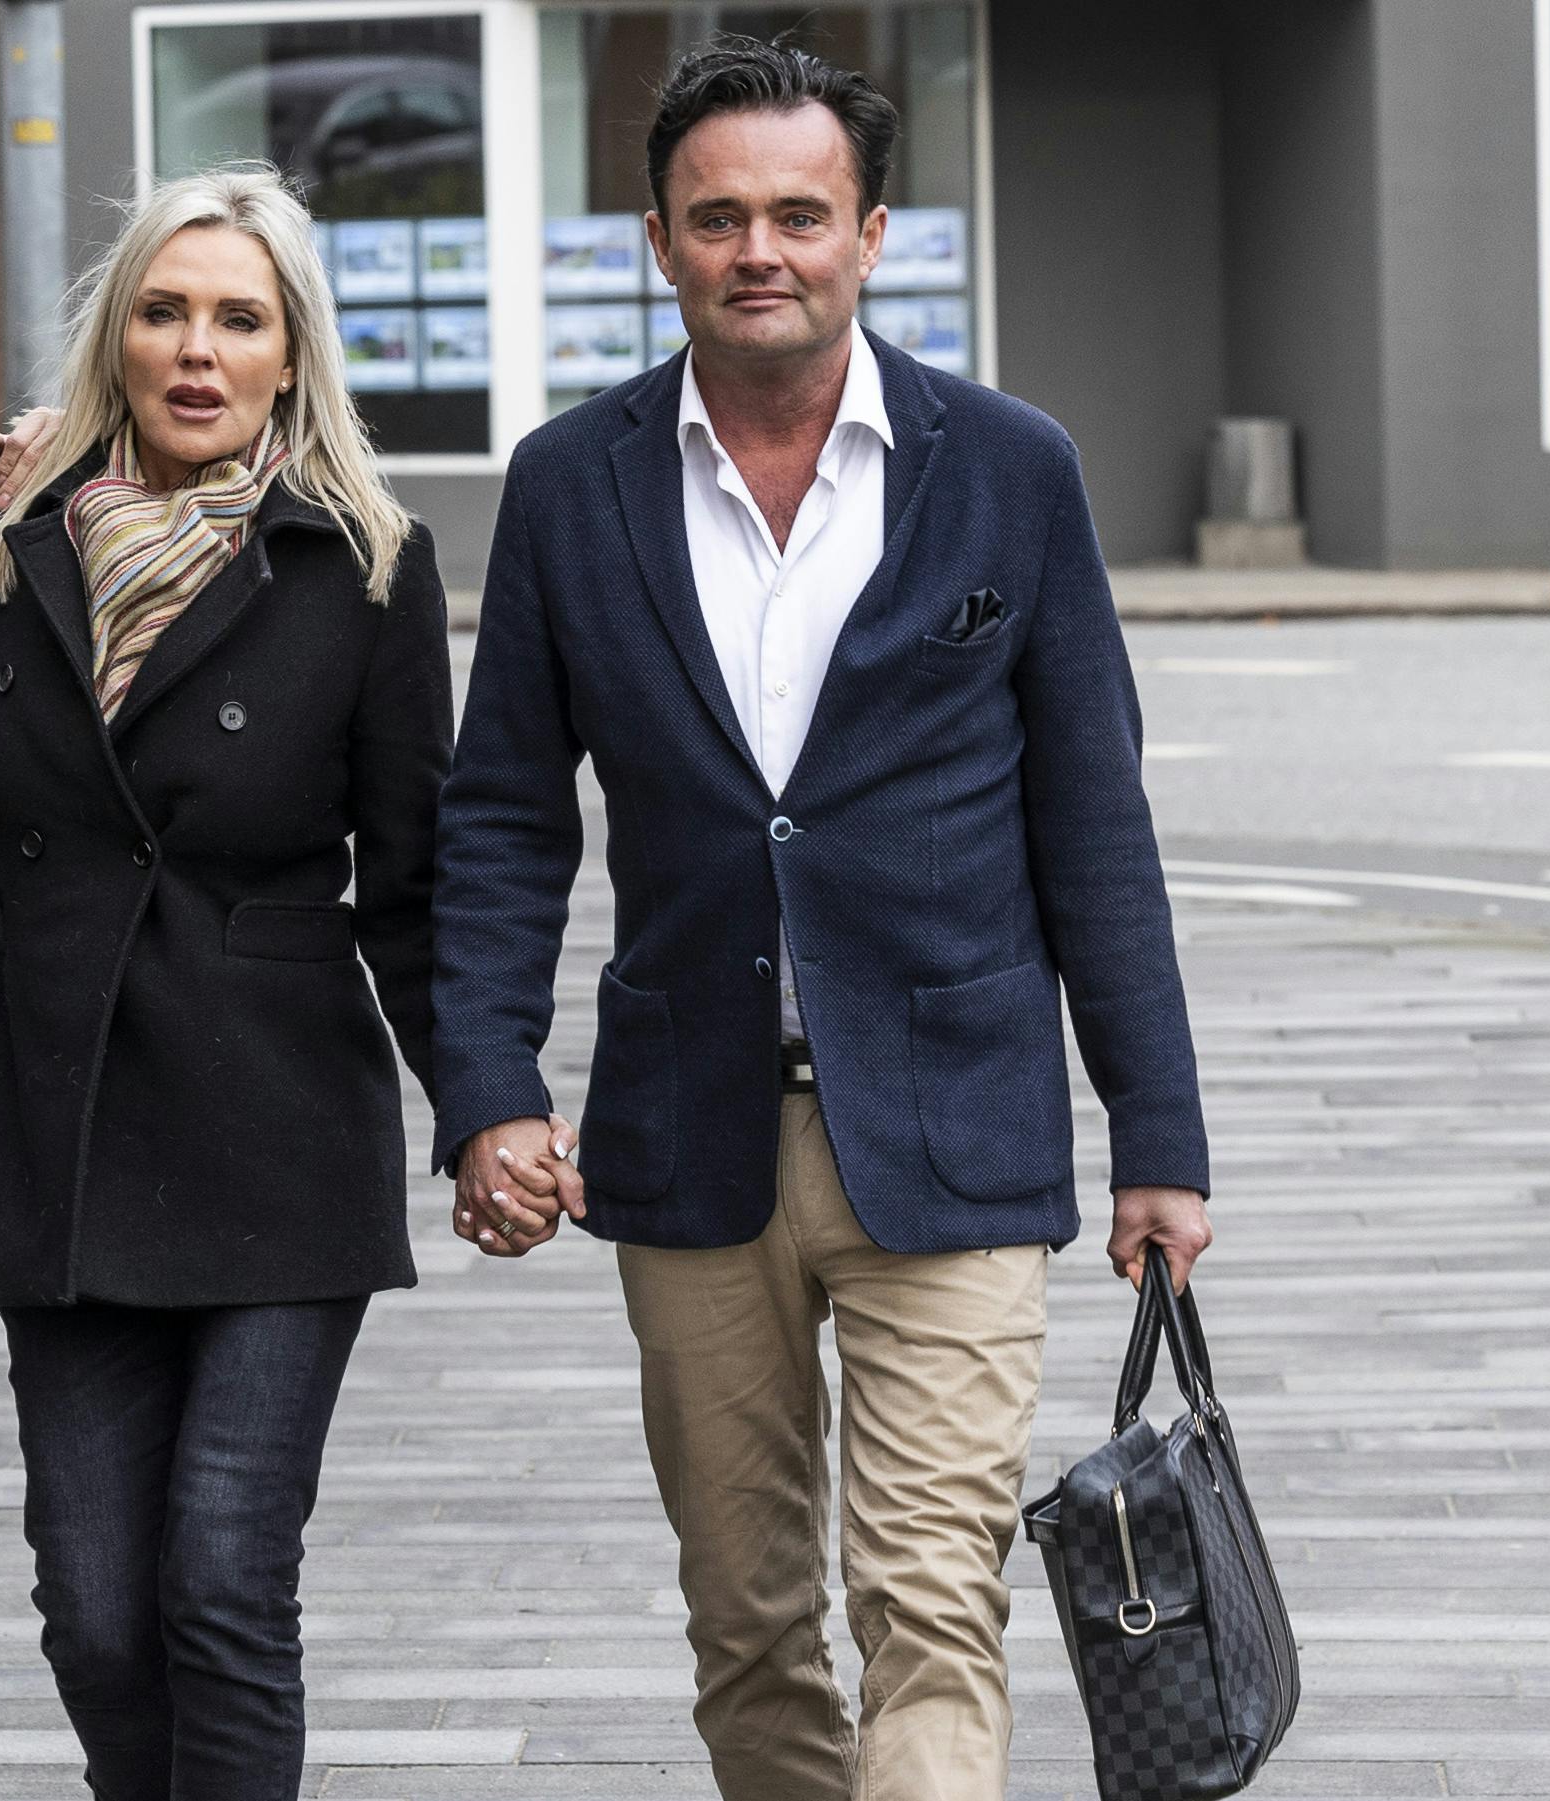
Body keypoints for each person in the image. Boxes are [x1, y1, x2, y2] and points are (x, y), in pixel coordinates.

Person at [429, 37, 1217, 1801]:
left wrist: (1158, 1136)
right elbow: (501, 821)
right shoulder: (569, 485)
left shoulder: (1009, 467)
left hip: (952, 1126)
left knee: (932, 1602)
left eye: (800, 214)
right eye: (719, 218)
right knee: (750, 1623)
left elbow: (1097, 828)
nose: (759, 250)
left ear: (870, 234)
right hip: (688, 1133)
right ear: (658, 241)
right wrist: (487, 1087)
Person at [0, 164, 454, 1798]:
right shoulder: (11, 546)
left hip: (278, 1129)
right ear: (116, 335)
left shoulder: (365, 565)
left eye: (239, 319)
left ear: (291, 352)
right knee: (98, 1613)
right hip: (68, 1128)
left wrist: (489, 1106)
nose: (197, 349)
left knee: (226, 1582)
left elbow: (419, 882)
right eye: (163, 312)